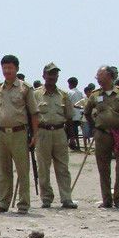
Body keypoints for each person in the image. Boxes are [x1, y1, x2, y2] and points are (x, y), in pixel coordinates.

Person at [0, 55, 39, 214]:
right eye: (4, 68)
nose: (7, 71)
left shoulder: (25, 89)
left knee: (23, 170)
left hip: (19, 133)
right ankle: (3, 203)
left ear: (16, 68)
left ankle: (23, 204)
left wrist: (35, 135)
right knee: (3, 170)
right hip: (1, 134)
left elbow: (34, 113)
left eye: (10, 68)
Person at [83, 65, 119, 209]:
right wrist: (94, 127)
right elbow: (87, 112)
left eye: (100, 76)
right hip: (102, 134)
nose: (98, 79)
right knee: (103, 168)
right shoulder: (95, 95)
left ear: (109, 76)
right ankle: (106, 199)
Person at [33, 63, 77, 209]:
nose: (52, 77)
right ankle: (46, 198)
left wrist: (72, 137)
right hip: (42, 132)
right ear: (44, 75)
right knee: (43, 168)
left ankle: (66, 198)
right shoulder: (36, 94)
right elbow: (31, 116)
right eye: (50, 74)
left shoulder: (64, 95)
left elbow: (69, 117)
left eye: (55, 74)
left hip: (59, 132)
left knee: (63, 167)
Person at [66, 77, 84, 150]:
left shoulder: (69, 93)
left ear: (70, 84)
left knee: (70, 131)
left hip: (72, 115)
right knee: (76, 131)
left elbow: (67, 104)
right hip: (79, 115)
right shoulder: (80, 93)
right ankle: (77, 145)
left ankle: (72, 144)